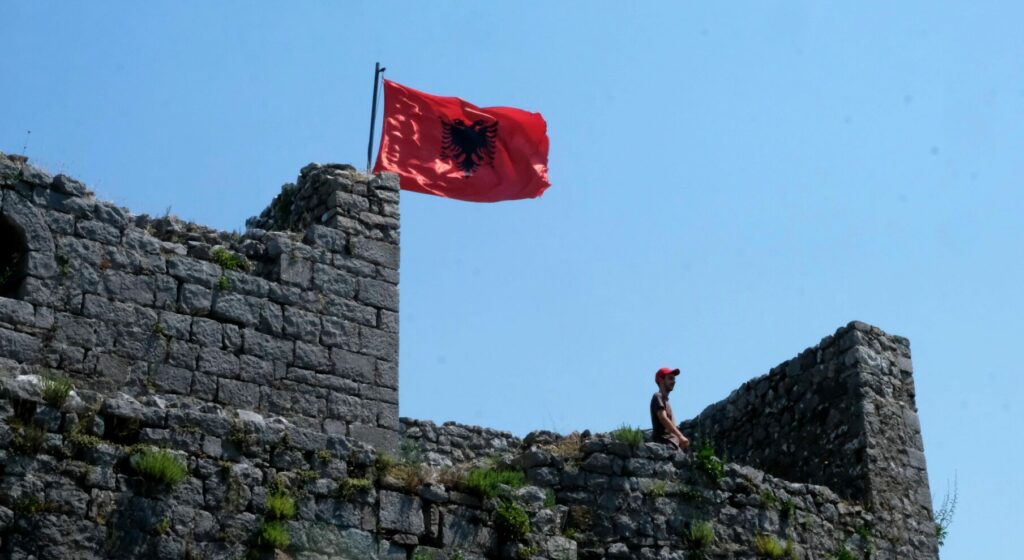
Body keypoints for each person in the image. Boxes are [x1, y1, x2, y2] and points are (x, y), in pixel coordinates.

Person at [650, 367, 690, 450]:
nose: (674, 381)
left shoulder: (667, 402)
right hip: (663, 444)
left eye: (674, 379)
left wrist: (679, 440)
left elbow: (673, 425)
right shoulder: (658, 396)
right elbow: (663, 418)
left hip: (672, 444)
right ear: (661, 380)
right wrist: (680, 437)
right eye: (670, 378)